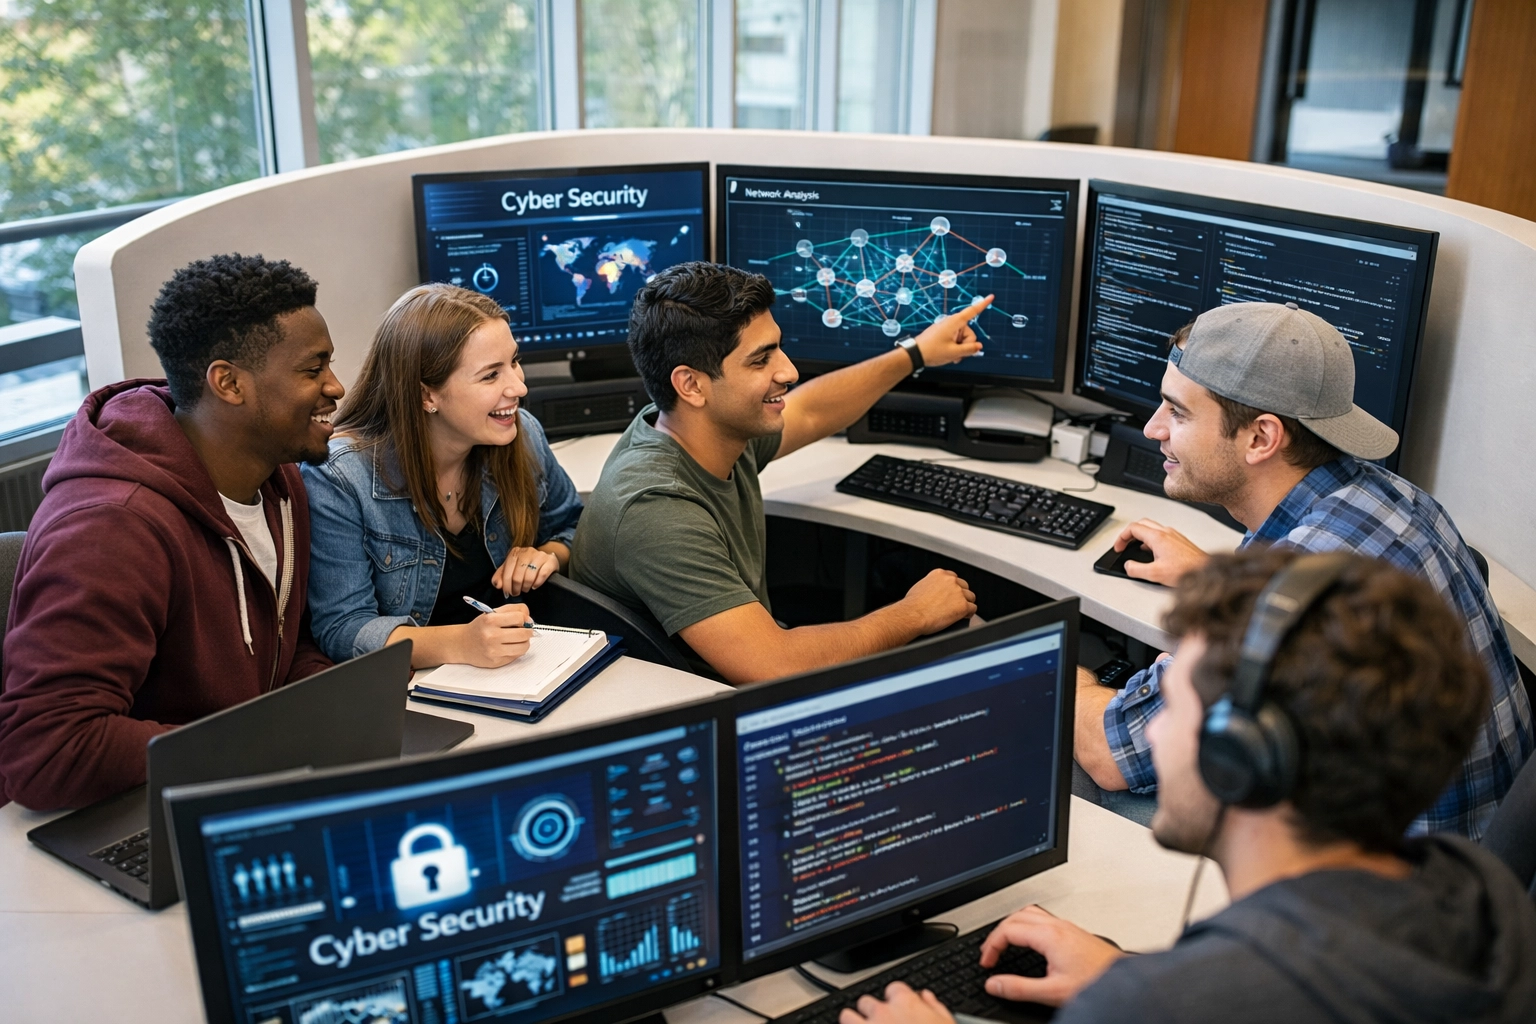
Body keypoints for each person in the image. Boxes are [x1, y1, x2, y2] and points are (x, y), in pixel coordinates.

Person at [841, 548, 1536, 1024]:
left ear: (1241, 754)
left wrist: (1139, 996)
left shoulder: (1169, 1006)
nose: (1153, 733)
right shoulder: (1478, 891)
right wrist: (1130, 977)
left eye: (1170, 702)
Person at [1074, 301, 1532, 839]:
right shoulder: (1394, 498)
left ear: (1262, 438)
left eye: (1178, 413)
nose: (1153, 429)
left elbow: (1111, 753)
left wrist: (1073, 679)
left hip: (1375, 896)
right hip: (1470, 858)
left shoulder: (1290, 601)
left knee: (1072, 769)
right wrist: (1219, 576)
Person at [0, 254, 341, 810]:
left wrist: (337, 708)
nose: (337, 387)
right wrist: (251, 747)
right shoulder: (111, 528)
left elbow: (285, 644)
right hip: (117, 814)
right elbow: (46, 751)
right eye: (313, 369)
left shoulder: (279, 481)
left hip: (226, 784)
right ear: (229, 383)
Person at [571, 261, 983, 684]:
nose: (788, 371)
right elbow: (774, 665)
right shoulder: (656, 508)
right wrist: (914, 613)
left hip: (746, 658)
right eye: (760, 360)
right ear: (691, 385)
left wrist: (915, 353)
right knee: (972, 642)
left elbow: (812, 410)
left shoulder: (698, 425)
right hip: (720, 703)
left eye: (778, 348)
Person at [302, 284, 582, 668]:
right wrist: (461, 643)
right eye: (490, 376)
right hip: (414, 693)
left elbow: (573, 526)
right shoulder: (339, 479)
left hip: (522, 669)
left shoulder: (521, 433)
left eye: (514, 362)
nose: (519, 387)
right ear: (426, 396)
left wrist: (547, 554)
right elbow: (344, 628)